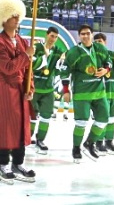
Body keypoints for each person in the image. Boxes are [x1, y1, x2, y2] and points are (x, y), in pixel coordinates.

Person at [0, 0, 36, 184]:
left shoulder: (23, 41)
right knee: (5, 126)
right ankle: (2, 164)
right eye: (12, 16)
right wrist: (26, 55)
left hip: (20, 89)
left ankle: (18, 163)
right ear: (3, 20)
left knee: (21, 126)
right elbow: (7, 68)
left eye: (17, 15)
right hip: (5, 88)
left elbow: (27, 70)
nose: (16, 19)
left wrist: (30, 87)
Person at [63, 24, 110, 163]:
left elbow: (108, 62)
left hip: (99, 92)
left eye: (88, 33)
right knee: (81, 122)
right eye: (82, 34)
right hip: (81, 93)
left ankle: (89, 143)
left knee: (103, 119)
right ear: (79, 36)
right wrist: (66, 90)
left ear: (92, 34)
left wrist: (106, 70)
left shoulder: (100, 48)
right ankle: (76, 148)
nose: (85, 36)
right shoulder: (73, 52)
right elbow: (64, 71)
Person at [30, 27, 65, 155]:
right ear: (47, 35)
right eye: (51, 36)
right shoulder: (37, 47)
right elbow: (32, 64)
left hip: (48, 88)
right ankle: (28, 137)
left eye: (56, 37)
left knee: (46, 115)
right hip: (34, 87)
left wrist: (61, 61)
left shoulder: (59, 51)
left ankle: (40, 140)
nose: (53, 39)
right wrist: (45, 55)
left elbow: (59, 69)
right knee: (32, 115)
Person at [93, 33, 114, 154]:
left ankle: (109, 141)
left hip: (112, 91)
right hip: (100, 92)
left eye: (100, 41)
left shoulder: (113, 55)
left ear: (105, 42)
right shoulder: (92, 56)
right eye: (96, 42)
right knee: (101, 118)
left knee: (111, 118)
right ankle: (98, 142)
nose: (98, 43)